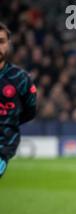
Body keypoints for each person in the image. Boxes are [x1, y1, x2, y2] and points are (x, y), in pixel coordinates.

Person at [0, 23, 37, 178]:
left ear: (8, 44)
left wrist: (8, 122)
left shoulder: (19, 78)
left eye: (1, 41)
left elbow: (30, 111)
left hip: (2, 145)